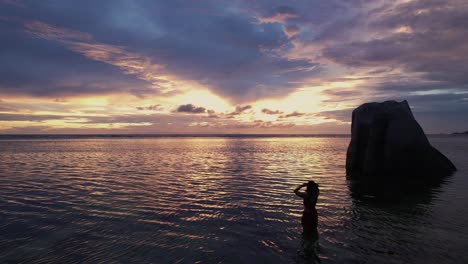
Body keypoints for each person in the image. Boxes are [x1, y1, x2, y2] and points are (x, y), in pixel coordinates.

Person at [294, 181, 320, 262]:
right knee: (314, 231)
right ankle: (314, 247)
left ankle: (306, 248)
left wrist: (302, 185)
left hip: (307, 215)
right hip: (314, 214)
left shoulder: (305, 195)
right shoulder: (316, 195)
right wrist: (312, 185)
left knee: (305, 232)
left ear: (308, 188)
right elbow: (317, 189)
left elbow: (295, 191)